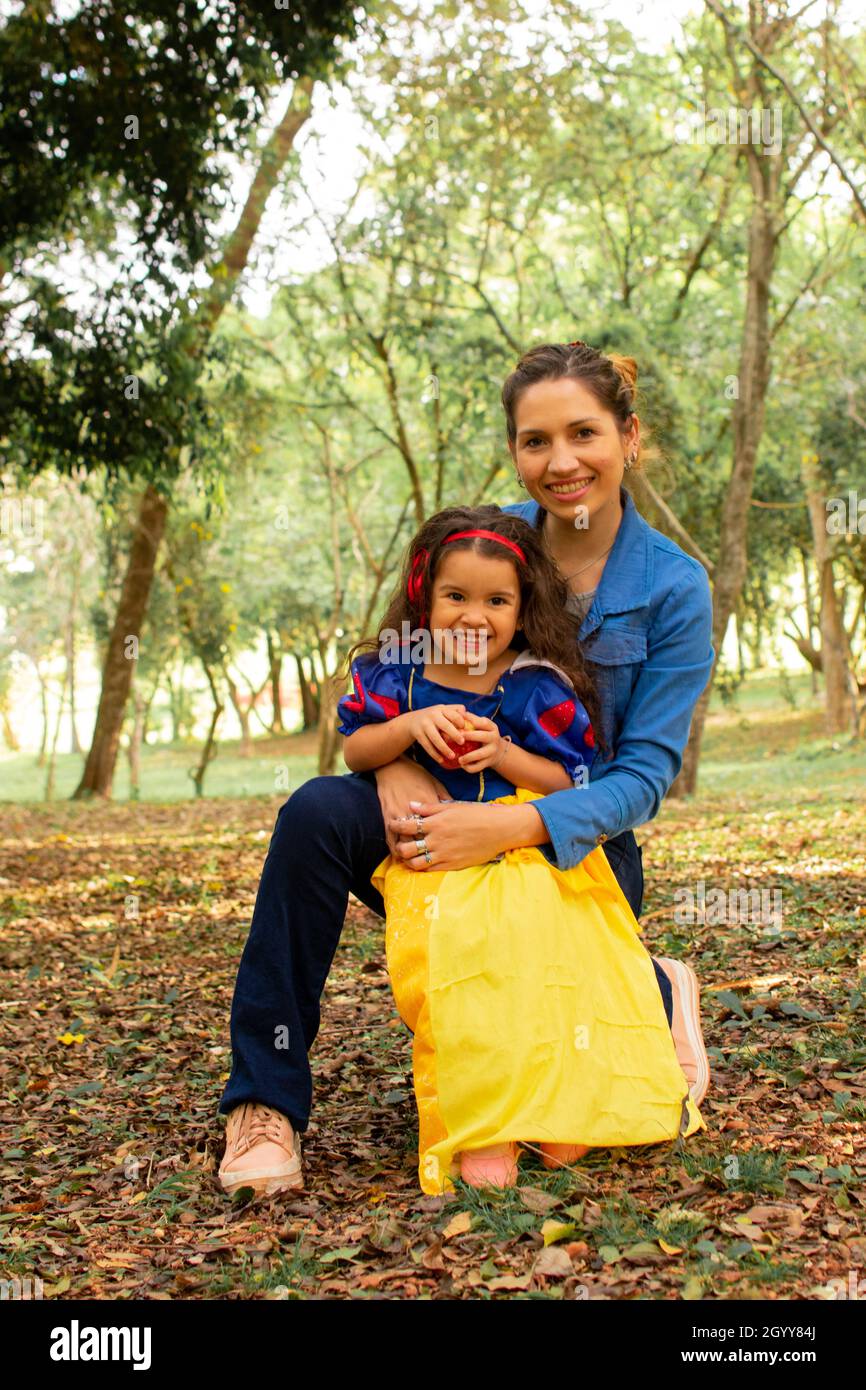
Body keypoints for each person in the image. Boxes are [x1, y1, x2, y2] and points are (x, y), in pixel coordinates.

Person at [217, 338, 714, 1198]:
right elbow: (388, 669)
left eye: (584, 434)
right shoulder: (479, 548)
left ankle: (648, 987)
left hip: (567, 836)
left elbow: (641, 781)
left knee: (530, 971)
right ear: (516, 451)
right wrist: (392, 765)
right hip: (432, 812)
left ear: (629, 438)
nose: (561, 462)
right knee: (310, 816)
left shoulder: (675, 589)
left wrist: (511, 823)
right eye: (535, 440)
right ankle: (264, 1104)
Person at [335, 505, 704, 1192]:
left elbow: (572, 777)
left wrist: (504, 752)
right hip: (438, 853)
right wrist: (406, 735)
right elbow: (355, 745)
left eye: (496, 601)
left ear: (521, 606)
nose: (475, 617)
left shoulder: (537, 686)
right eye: (456, 597)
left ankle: (562, 1103)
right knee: (462, 969)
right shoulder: (395, 675)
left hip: (525, 848)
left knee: (546, 955)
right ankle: (486, 1124)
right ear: (424, 595)